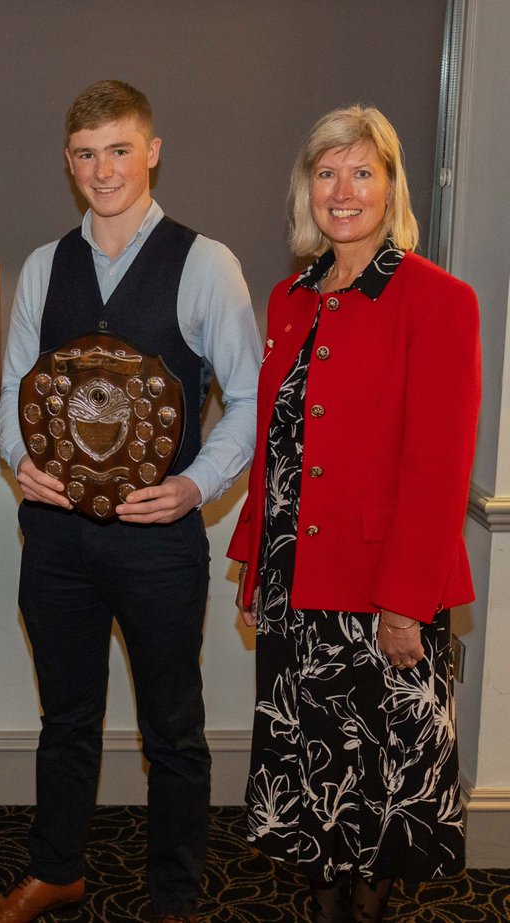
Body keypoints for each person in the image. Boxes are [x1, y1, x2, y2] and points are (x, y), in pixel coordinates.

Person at [0, 80, 261, 923]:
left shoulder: (206, 263)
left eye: (120, 149)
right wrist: (22, 463)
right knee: (66, 716)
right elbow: (23, 391)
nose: (104, 170)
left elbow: (246, 397)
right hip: (57, 539)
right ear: (69, 162)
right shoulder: (45, 265)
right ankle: (56, 869)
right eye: (88, 154)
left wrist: (197, 487)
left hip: (158, 539)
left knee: (173, 726)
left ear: (153, 150)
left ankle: (175, 898)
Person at [228, 105, 480, 923]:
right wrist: (254, 560)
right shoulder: (291, 297)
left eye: (362, 172)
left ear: (390, 186)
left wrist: (409, 600)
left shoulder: (437, 297)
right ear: (308, 188)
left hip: (380, 592)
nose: (343, 190)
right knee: (311, 779)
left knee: (379, 788)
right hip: (295, 580)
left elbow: (439, 465)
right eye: (327, 172)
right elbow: (281, 445)